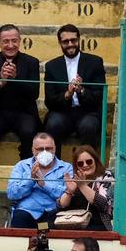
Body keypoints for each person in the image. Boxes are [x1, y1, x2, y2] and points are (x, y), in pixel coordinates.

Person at [0, 24, 40, 165]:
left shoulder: (31, 62)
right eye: (6, 41)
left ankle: (26, 173)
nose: (10, 45)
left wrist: (15, 79)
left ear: (20, 41)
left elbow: (34, 94)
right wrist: (1, 82)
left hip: (24, 112)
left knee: (29, 132)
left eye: (14, 40)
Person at [43, 25, 106, 157]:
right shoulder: (51, 66)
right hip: (62, 112)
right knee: (53, 124)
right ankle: (53, 169)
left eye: (74, 40)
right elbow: (50, 101)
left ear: (79, 40)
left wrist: (81, 90)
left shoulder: (95, 62)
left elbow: (98, 96)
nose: (70, 44)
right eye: (66, 41)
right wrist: (67, 94)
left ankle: (88, 171)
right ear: (60, 43)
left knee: (89, 126)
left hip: (87, 112)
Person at [6, 133, 72, 229]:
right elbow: (11, 194)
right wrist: (31, 180)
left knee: (50, 226)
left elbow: (67, 194)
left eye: (48, 148)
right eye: (40, 149)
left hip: (51, 217)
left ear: (54, 149)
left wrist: (44, 184)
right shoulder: (22, 166)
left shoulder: (66, 168)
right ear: (33, 150)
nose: (45, 152)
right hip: (27, 214)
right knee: (19, 217)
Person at [60, 145, 114, 233]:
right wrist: (69, 192)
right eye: (80, 163)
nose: (85, 165)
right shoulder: (75, 179)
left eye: (89, 162)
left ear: (96, 161)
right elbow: (61, 205)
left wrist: (82, 186)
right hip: (74, 223)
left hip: (98, 224)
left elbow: (104, 204)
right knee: (48, 224)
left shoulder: (106, 177)